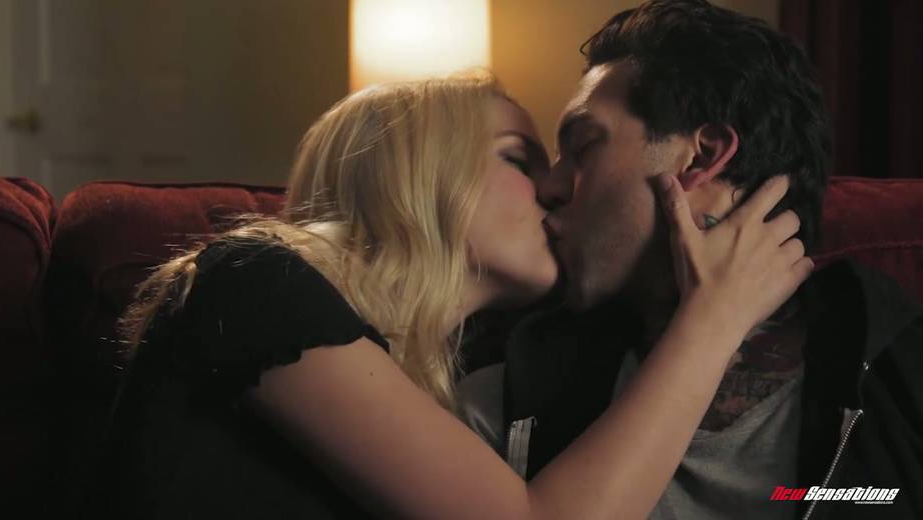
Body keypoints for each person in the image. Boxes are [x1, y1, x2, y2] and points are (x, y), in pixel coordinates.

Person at [93, 73, 810, 519]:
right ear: (417, 174)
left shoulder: (444, 373)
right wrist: (712, 319)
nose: (553, 186)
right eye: (517, 159)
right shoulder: (256, 281)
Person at [458, 1, 923, 519]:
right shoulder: (505, 397)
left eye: (584, 146)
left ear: (701, 156)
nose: (549, 186)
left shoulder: (903, 374)